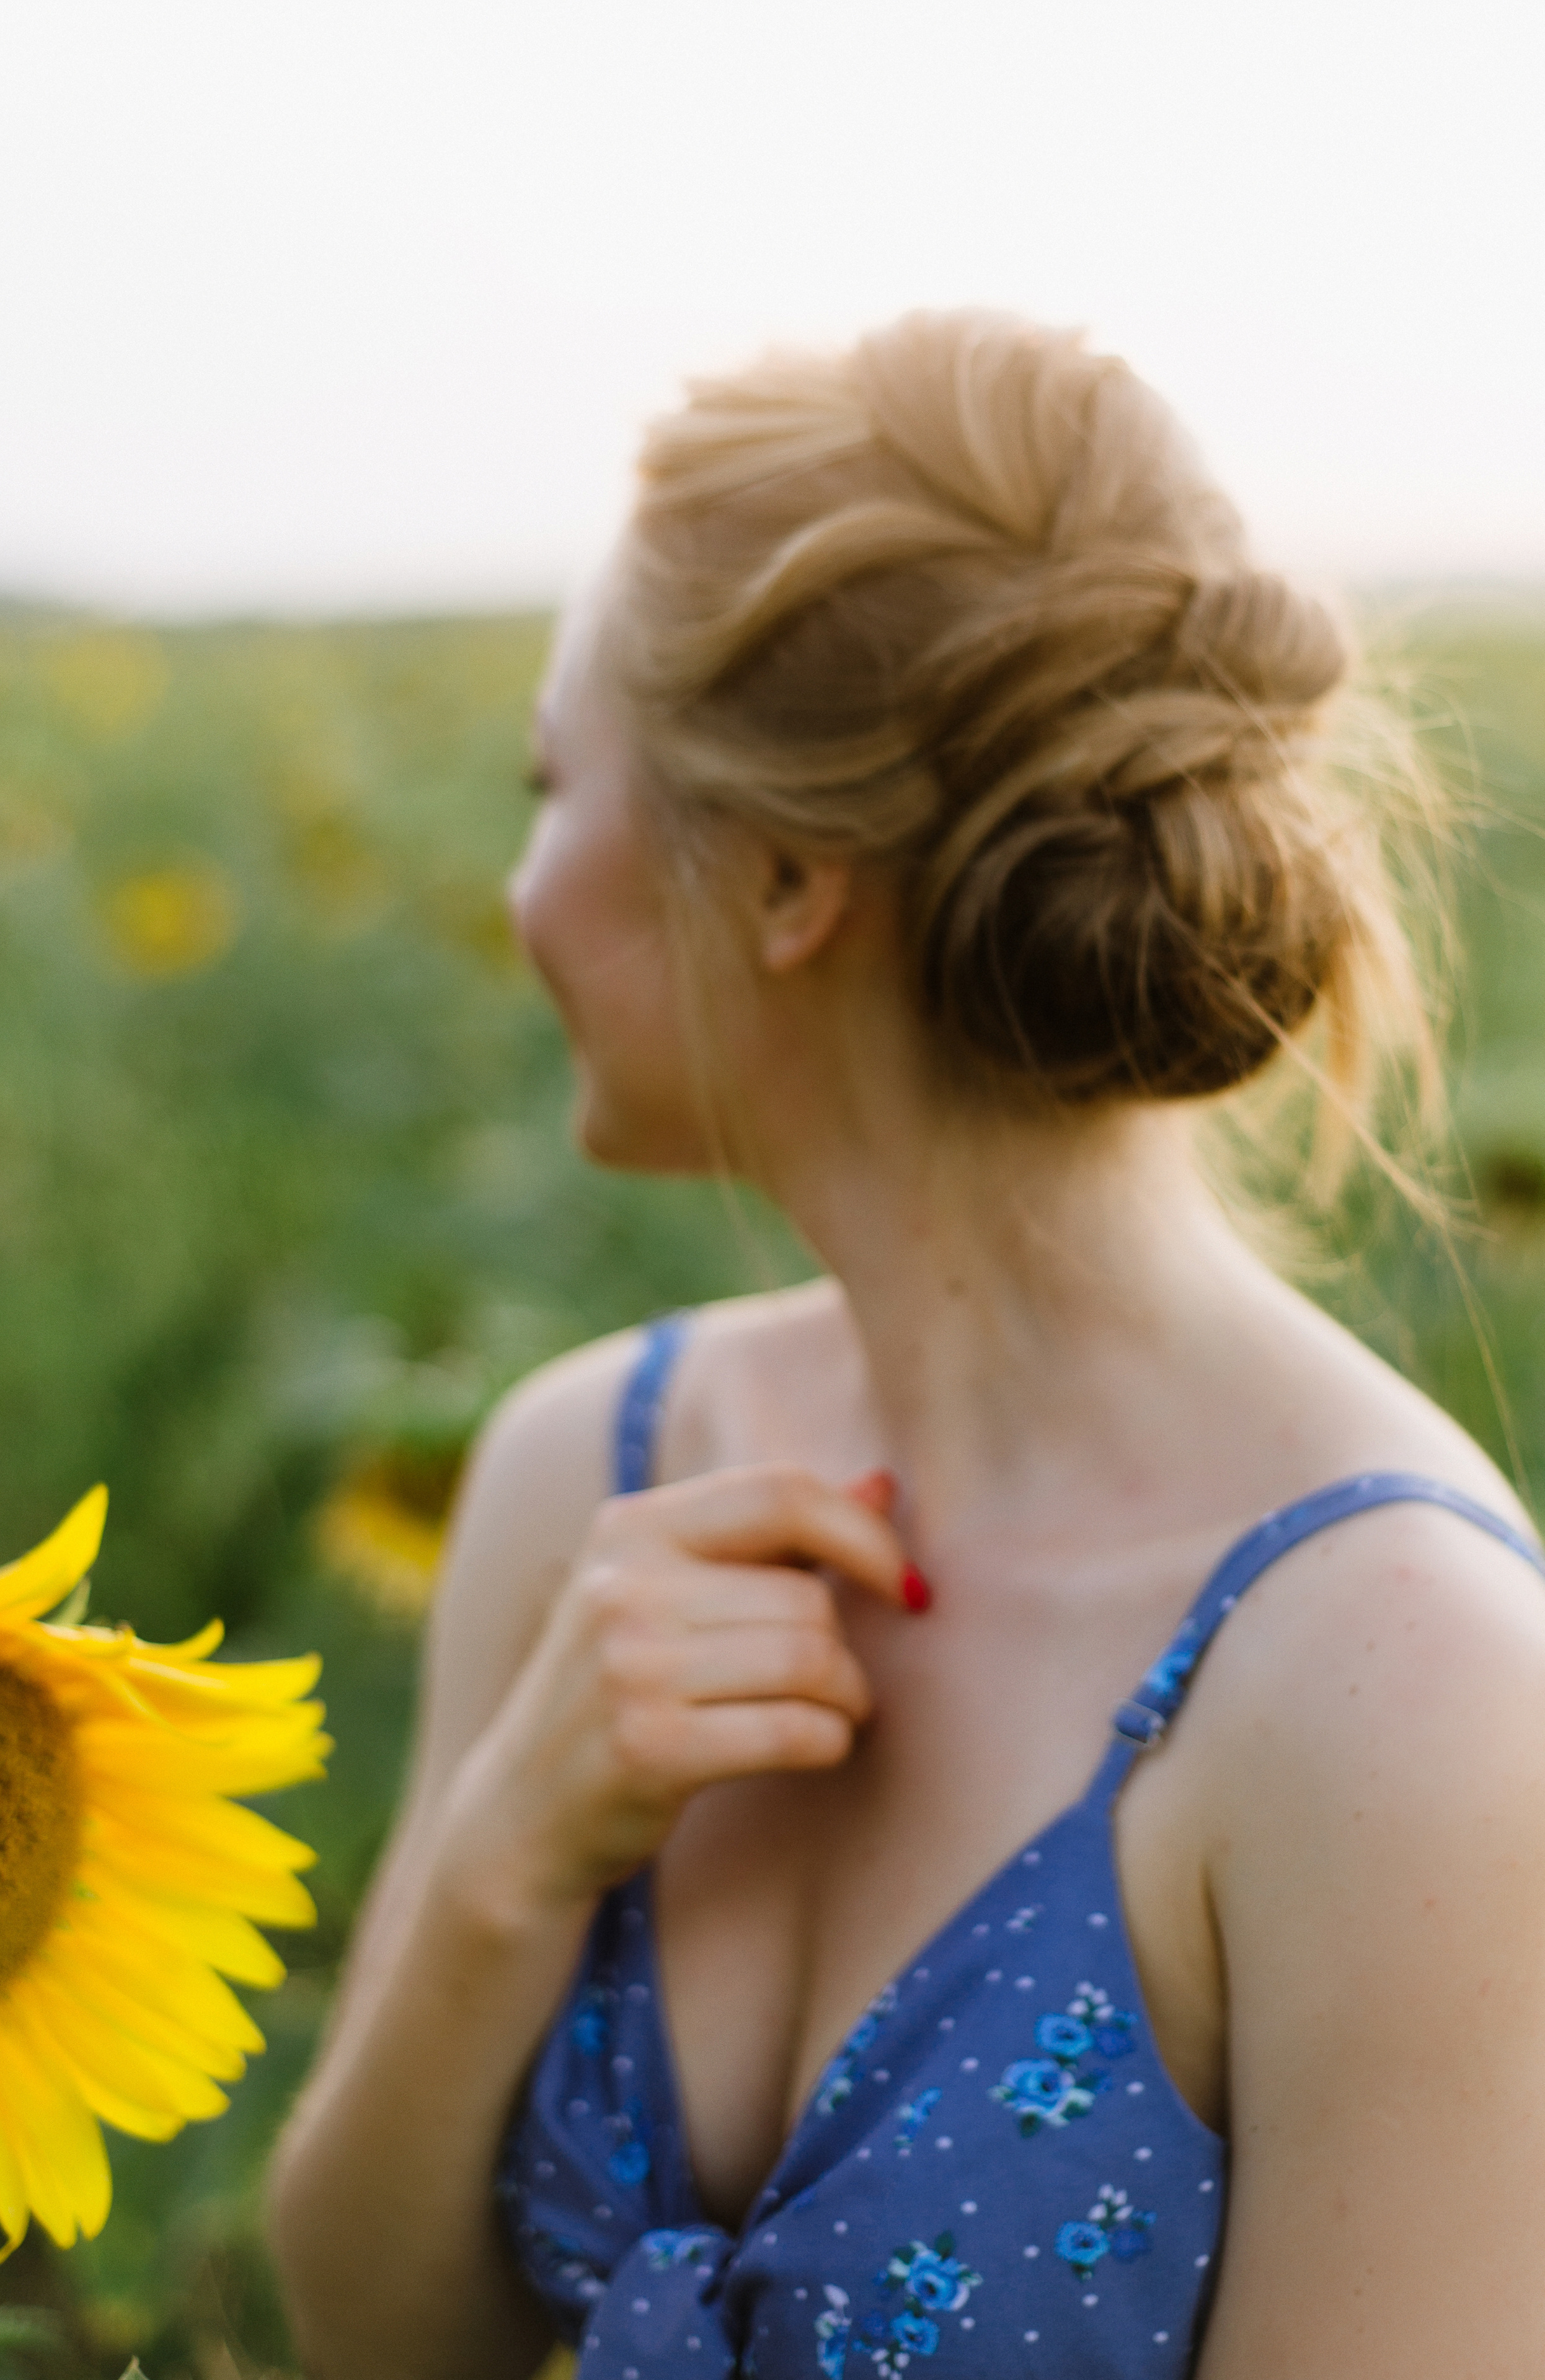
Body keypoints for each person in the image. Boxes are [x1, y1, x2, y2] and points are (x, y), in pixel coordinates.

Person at [267, 312, 1545, 2380]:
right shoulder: (588, 1464)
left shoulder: (1406, 1687)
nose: (520, 890)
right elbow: (370, 2334)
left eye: (551, 786)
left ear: (785, 879)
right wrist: (509, 1859)